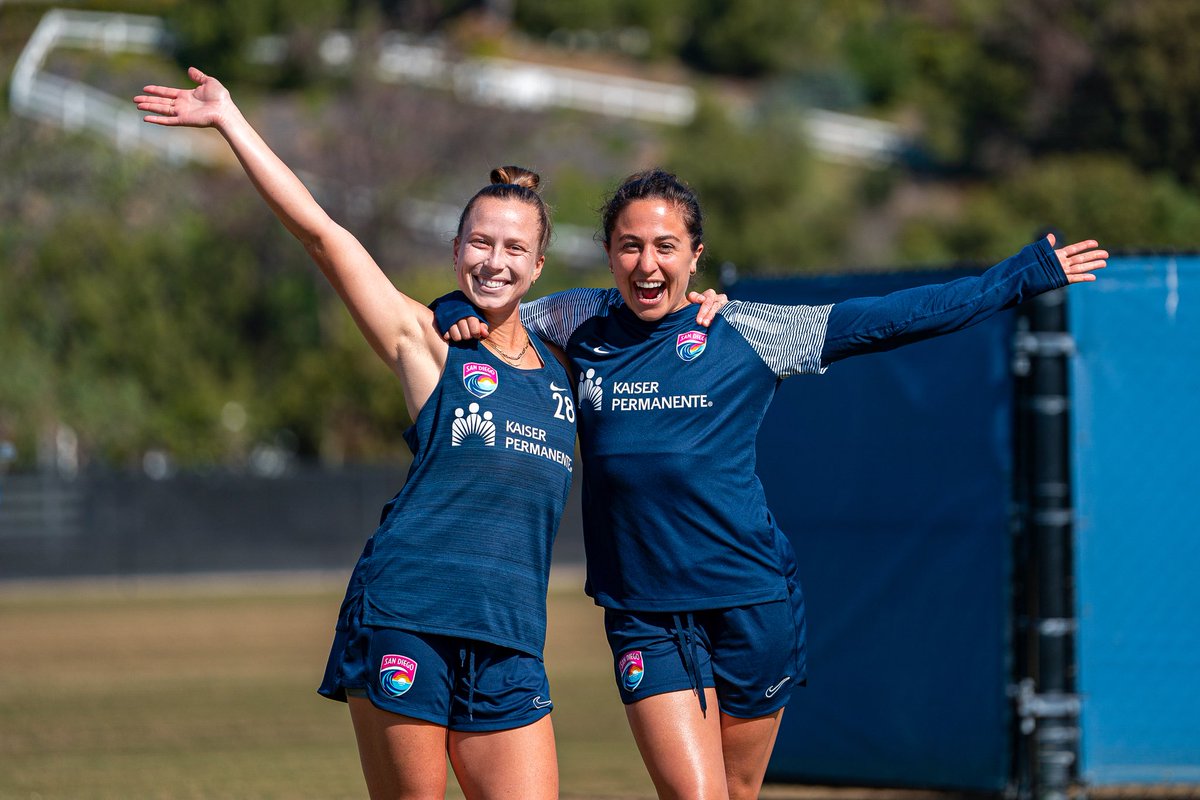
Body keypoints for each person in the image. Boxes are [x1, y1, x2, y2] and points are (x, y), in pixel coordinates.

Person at [435, 168, 1107, 799]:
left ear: (696, 256)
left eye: (666, 246)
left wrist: (1022, 277)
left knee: (735, 791)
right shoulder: (577, 320)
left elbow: (890, 319)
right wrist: (444, 309)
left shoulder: (746, 328)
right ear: (609, 253)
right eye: (630, 246)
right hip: (645, 612)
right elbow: (492, 298)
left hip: (753, 607)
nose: (648, 264)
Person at [135, 67, 585, 799]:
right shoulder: (429, 342)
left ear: (538, 267)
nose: (492, 261)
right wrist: (230, 121)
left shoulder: (566, 365)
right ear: (455, 248)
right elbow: (321, 235)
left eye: (512, 249)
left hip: (511, 641)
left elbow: (645, 310)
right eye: (479, 242)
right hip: (408, 614)